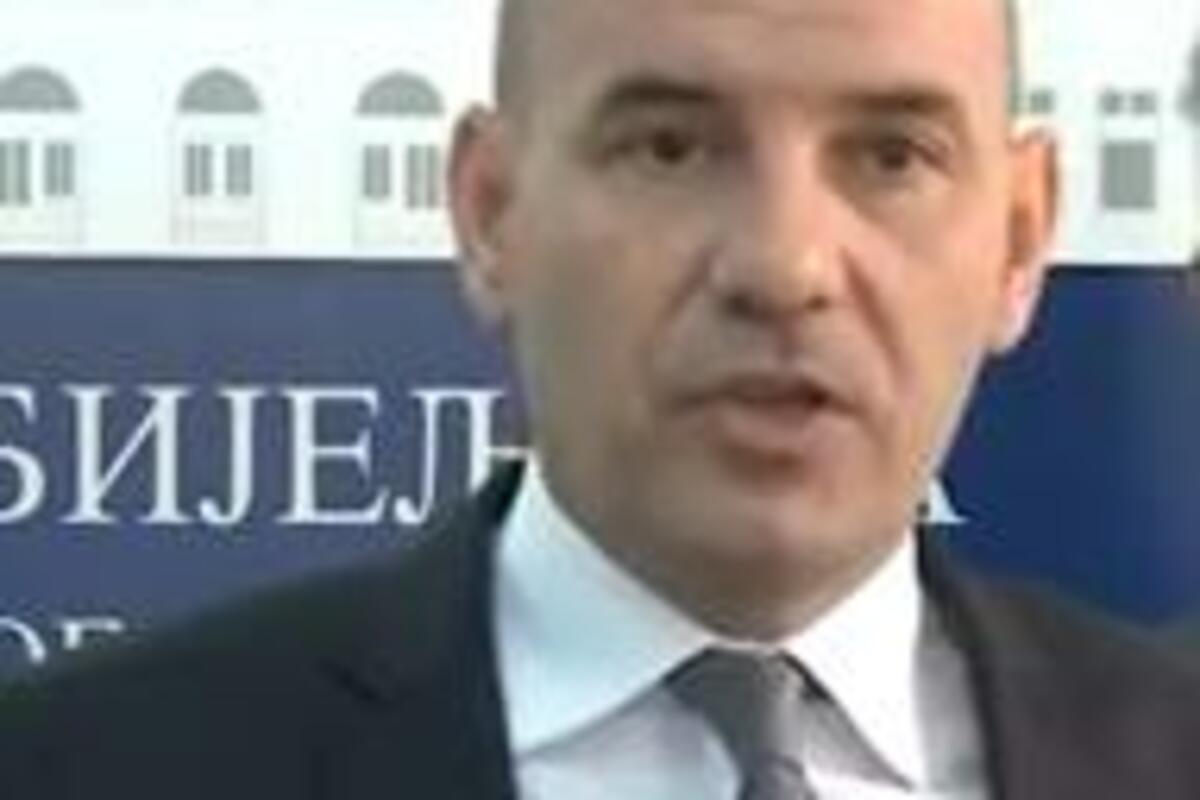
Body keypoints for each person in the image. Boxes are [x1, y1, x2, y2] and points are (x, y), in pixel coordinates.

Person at [4, 0, 1200, 797]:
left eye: (891, 156)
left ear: (1020, 238)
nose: (784, 265)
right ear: (491, 212)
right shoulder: (83, 767)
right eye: (669, 147)